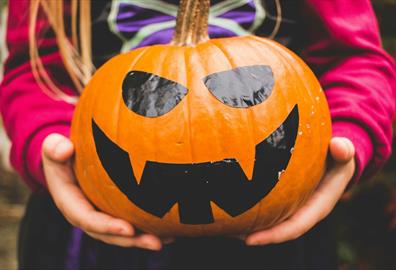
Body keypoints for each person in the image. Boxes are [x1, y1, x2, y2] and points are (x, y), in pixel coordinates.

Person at [1, 0, 395, 269]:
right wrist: (47, 147)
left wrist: (351, 136)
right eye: (150, 96)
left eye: (244, 89)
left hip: (280, 229)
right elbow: (33, 73)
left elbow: (356, 59)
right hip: (92, 233)